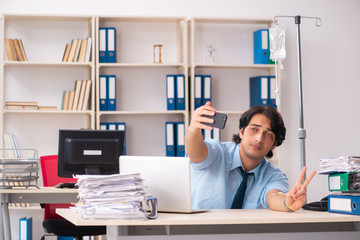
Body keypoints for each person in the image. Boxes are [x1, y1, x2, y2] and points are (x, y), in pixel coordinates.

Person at [185, 101, 316, 211]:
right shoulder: (217, 152)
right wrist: (193, 129)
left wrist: (287, 203)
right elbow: (195, 154)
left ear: (274, 145)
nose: (259, 138)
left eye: (268, 134)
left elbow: (273, 196)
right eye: (254, 129)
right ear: (241, 132)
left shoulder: (273, 175)